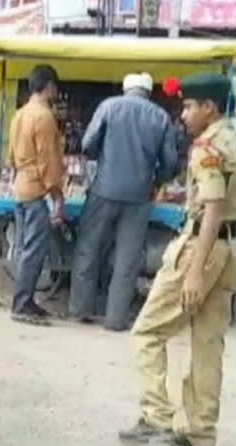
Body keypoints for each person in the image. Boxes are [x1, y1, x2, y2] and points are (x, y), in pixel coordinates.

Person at [118, 73, 236, 446]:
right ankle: (200, 432)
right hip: (230, 250)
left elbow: (212, 207)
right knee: (207, 344)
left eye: (189, 106)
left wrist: (195, 269)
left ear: (209, 108)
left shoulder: (207, 146)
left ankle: (156, 415)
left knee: (147, 331)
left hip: (203, 246)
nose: (183, 114)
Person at [69, 73, 179, 331]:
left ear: (125, 88)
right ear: (149, 91)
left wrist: (102, 159)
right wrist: (155, 181)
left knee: (88, 249)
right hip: (139, 197)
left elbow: (88, 144)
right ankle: (115, 319)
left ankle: (79, 310)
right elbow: (170, 162)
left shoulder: (109, 106)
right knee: (127, 259)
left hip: (103, 190)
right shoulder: (160, 117)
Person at [8, 64, 65, 325]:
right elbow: (48, 161)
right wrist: (57, 196)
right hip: (35, 190)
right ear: (49, 86)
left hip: (20, 185)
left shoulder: (19, 114)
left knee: (24, 249)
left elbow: (11, 155)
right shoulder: (44, 117)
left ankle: (25, 300)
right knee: (33, 251)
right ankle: (22, 304)